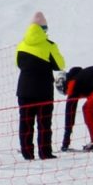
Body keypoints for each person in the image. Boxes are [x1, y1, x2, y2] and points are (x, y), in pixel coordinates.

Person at [15, 11, 65, 159]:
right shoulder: (49, 45)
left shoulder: (21, 45)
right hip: (43, 89)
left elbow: (18, 63)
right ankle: (45, 152)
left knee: (25, 122)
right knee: (44, 123)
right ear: (44, 29)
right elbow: (59, 65)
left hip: (24, 89)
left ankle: (27, 153)